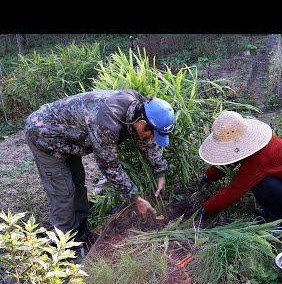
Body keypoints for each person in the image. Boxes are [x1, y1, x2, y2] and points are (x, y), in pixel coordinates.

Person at [25, 89, 175, 252]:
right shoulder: (107, 123)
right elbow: (109, 166)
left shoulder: (140, 107)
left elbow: (147, 141)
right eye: (152, 132)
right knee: (63, 193)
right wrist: (135, 198)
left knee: (78, 185)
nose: (151, 137)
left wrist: (160, 172)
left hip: (69, 137)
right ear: (141, 122)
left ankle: (81, 234)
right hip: (44, 135)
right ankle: (64, 249)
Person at [197, 110, 282, 224]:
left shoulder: (260, 157)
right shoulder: (251, 145)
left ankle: (279, 220)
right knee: (261, 181)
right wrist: (210, 176)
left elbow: (236, 189)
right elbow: (230, 160)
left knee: (260, 182)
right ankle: (278, 214)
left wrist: (206, 208)